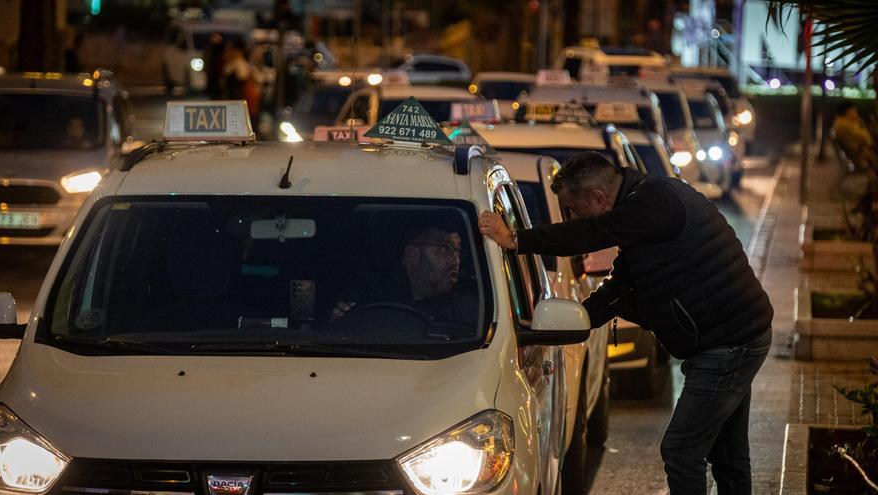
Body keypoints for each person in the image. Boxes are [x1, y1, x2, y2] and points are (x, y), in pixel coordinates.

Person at [478, 152, 773, 495]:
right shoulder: (645, 205)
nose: (571, 217)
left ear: (599, 198)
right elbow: (623, 282)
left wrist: (517, 240)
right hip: (733, 336)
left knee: (681, 450)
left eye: (573, 208)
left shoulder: (652, 203)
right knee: (728, 453)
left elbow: (591, 233)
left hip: (728, 344)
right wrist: (582, 318)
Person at [332, 221, 477, 325]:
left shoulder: (468, 310)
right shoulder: (372, 297)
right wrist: (341, 321)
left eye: (458, 251)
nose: (456, 260)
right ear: (412, 255)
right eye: (445, 249)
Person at [833, 101, 876, 169]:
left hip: (857, 155)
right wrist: (861, 124)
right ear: (847, 112)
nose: (856, 112)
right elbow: (866, 138)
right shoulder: (844, 124)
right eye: (854, 110)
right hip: (859, 158)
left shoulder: (841, 122)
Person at [204, 32, 225, 100]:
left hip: (219, 74)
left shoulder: (222, 49)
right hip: (212, 74)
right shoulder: (209, 49)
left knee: (219, 93)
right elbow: (207, 59)